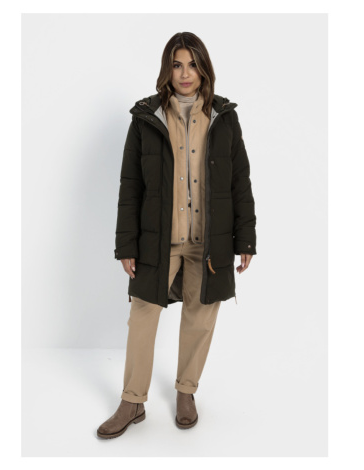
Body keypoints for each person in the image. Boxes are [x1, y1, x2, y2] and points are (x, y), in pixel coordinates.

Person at [97, 32, 257, 439]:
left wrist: (245, 237)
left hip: (209, 239)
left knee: (200, 317)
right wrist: (126, 243)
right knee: (142, 316)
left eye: (192, 64)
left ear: (204, 69)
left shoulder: (224, 117)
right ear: (167, 70)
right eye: (177, 64)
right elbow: (130, 186)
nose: (185, 73)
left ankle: (186, 392)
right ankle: (132, 401)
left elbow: (239, 180)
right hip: (157, 240)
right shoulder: (146, 117)